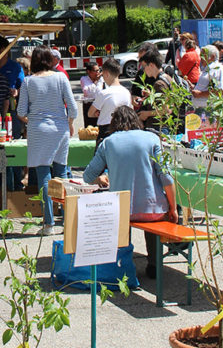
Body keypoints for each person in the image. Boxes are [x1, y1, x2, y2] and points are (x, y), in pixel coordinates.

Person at [83, 106, 177, 279]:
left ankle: (124, 265)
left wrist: (101, 179)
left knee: (121, 222)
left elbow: (88, 176)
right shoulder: (152, 138)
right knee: (154, 219)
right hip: (153, 208)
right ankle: (155, 265)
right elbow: (166, 177)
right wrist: (173, 208)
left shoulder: (108, 142)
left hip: (121, 210)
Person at [17, 46, 78, 236]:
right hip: (60, 129)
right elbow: (73, 108)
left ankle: (48, 223)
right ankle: (67, 220)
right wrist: (69, 122)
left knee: (44, 175)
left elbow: (20, 111)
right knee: (62, 174)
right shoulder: (61, 78)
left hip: (38, 130)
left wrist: (32, 120)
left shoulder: (28, 82)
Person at [0, 35, 25, 191]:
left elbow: (23, 88)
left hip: (11, 112)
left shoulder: (15, 67)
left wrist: (16, 91)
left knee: (14, 148)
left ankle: (17, 186)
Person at [87, 58, 132, 148]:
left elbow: (90, 113)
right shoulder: (126, 92)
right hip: (124, 130)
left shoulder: (104, 93)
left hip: (106, 131)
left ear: (106, 74)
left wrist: (99, 113)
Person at [136, 50, 173, 131]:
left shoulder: (159, 84)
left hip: (160, 127)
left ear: (151, 65)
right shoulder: (167, 77)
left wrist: (146, 114)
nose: (143, 70)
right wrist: (151, 95)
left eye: (143, 66)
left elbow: (166, 110)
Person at [192, 45, 223, 109]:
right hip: (202, 108)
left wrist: (200, 94)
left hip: (210, 110)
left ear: (212, 56)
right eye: (201, 55)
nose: (201, 58)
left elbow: (220, 90)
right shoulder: (207, 69)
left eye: (203, 55)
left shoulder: (217, 69)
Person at [80, 62, 105, 127]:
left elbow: (99, 93)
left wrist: (98, 81)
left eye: (98, 70)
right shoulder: (84, 79)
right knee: (89, 126)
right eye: (95, 71)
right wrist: (96, 81)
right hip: (88, 104)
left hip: (99, 104)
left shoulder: (101, 79)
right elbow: (88, 92)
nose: (98, 72)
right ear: (89, 72)